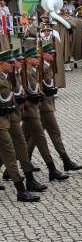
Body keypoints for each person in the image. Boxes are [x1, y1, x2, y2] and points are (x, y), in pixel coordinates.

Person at [21, 47, 69, 182]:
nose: (38, 59)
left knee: (22, 140)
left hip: (35, 109)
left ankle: (9, 171)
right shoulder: (26, 72)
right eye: (35, 57)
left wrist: (41, 94)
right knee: (38, 139)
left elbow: (36, 88)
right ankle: (53, 169)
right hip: (31, 110)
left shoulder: (33, 70)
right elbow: (24, 90)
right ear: (28, 59)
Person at [0, 49, 40, 202]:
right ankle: (20, 190)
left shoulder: (9, 76)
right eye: (10, 62)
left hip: (11, 117)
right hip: (1, 121)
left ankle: (29, 179)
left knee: (21, 145)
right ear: (1, 64)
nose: (14, 64)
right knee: (9, 153)